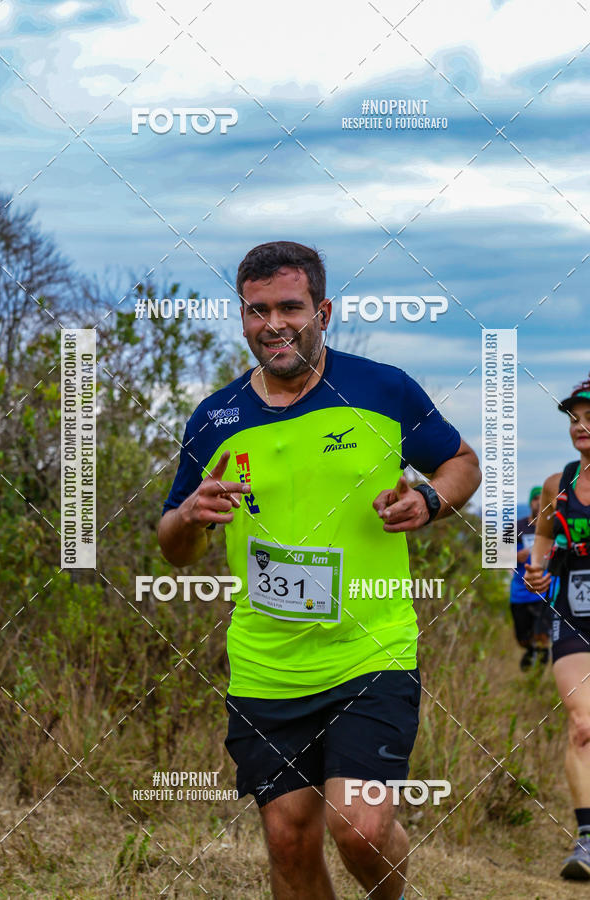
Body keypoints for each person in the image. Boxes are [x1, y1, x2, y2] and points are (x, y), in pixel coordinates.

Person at [158, 241, 481, 900]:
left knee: (360, 828)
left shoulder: (382, 389)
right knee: (288, 840)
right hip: (267, 665)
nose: (273, 324)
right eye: (257, 310)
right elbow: (174, 547)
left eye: (290, 307)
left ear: (322, 312)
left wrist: (428, 500)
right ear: (242, 316)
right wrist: (189, 516)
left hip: (370, 652)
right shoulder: (214, 418)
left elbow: (462, 463)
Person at [524, 375, 590, 880]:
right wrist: (538, 569)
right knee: (582, 725)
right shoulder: (557, 483)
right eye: (574, 418)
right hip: (573, 616)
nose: (580, 426)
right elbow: (543, 538)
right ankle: (587, 841)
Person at [509, 487, 551, 670]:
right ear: (530, 502)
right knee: (523, 638)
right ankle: (529, 650)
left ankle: (538, 672)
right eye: (535, 498)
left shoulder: (552, 528)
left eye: (543, 499)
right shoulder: (516, 528)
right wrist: (514, 556)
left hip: (545, 591)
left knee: (542, 636)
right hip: (520, 592)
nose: (539, 502)